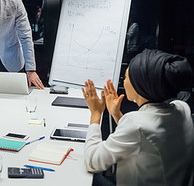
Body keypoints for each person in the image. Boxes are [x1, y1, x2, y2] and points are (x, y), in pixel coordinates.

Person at [82, 49, 194, 186]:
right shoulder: (182, 108)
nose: (124, 81)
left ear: (140, 86)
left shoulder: (135, 124)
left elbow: (92, 161)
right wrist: (116, 114)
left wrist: (96, 114)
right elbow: (144, 138)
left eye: (127, 77)